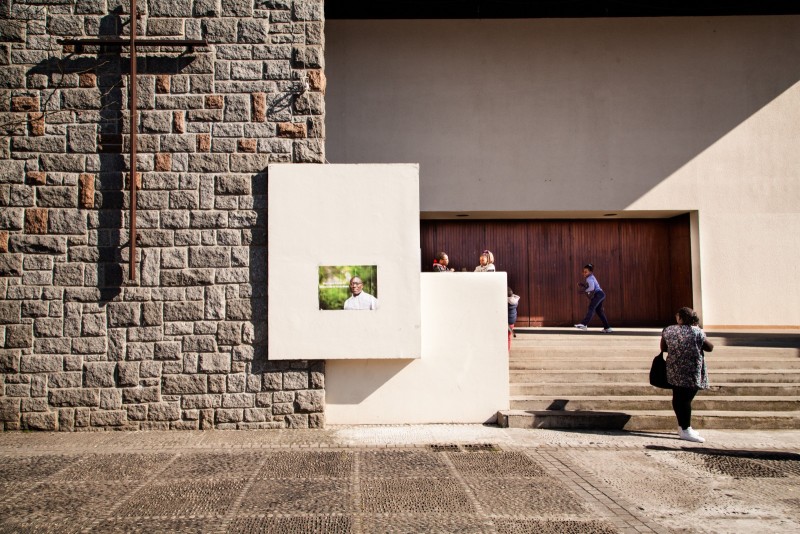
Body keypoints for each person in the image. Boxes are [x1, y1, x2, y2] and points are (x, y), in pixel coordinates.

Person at [660, 307, 714, 443]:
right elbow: (709, 347)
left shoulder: (669, 330)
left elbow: (663, 348)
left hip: (674, 368)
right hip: (691, 369)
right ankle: (685, 428)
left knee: (678, 397)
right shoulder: (696, 331)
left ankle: (682, 426)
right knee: (686, 399)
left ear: (681, 318)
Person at [574, 263, 612, 333]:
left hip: (598, 294)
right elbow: (591, 287)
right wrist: (583, 286)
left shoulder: (589, 278)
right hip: (601, 294)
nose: (584, 273)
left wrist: (584, 290)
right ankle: (607, 328)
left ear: (590, 272)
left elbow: (591, 288)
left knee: (591, 307)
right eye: (583, 272)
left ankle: (584, 324)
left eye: (586, 272)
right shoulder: (591, 277)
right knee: (599, 311)